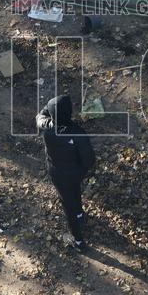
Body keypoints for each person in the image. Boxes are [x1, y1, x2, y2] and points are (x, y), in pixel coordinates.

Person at [36, 94, 96, 252]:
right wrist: (81, 171)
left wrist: (51, 107)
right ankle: (78, 239)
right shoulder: (78, 133)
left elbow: (39, 116)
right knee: (74, 195)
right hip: (75, 173)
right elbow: (89, 159)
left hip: (57, 174)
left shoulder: (46, 126)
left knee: (67, 200)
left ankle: (78, 215)